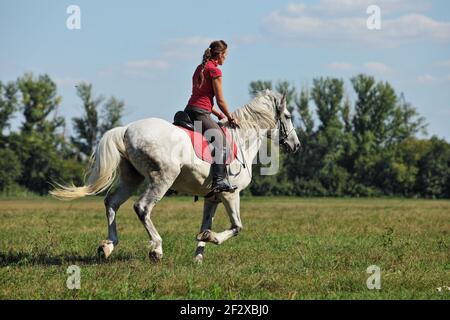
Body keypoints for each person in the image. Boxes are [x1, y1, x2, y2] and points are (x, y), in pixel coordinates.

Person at [185, 40, 237, 193]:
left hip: (189, 110)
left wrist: (219, 114)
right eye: (225, 55)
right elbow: (220, 100)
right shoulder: (214, 71)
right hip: (200, 113)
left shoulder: (199, 69)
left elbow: (203, 98)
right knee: (224, 145)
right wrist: (230, 117)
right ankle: (218, 182)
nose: (226, 58)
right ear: (220, 55)